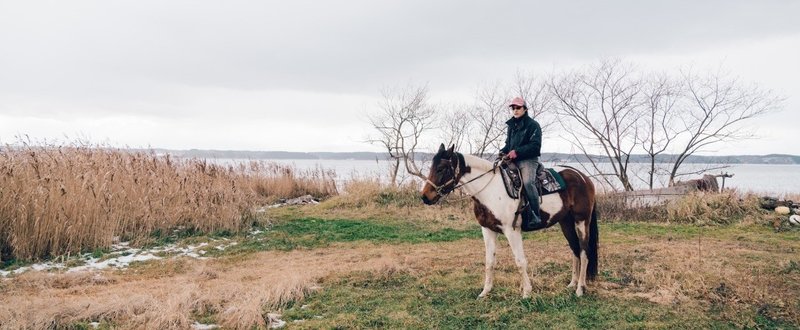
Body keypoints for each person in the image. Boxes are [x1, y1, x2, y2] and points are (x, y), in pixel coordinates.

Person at [499, 97, 543, 230]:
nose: (515, 110)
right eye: (513, 108)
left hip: (529, 160)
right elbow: (508, 145)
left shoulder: (533, 125)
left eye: (518, 108)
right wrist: (503, 152)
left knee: (528, 182)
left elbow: (535, 146)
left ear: (525, 109)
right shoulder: (511, 126)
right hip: (514, 160)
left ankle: (536, 215)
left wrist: (516, 152)